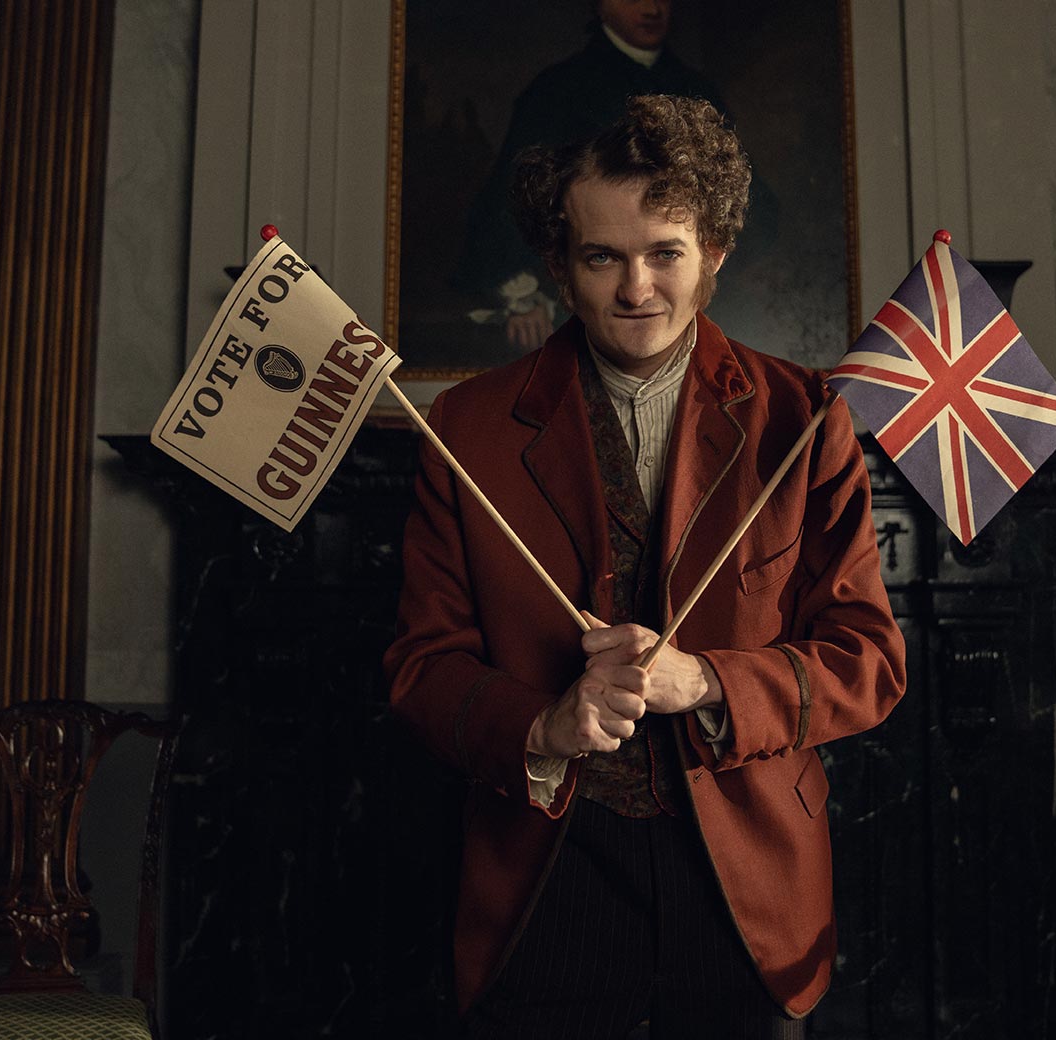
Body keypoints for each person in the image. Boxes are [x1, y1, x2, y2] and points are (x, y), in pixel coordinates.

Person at [385, 94, 905, 1037]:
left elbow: (869, 661)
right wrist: (545, 724)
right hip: (546, 874)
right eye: (601, 257)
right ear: (556, 264)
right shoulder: (464, 430)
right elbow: (423, 670)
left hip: (755, 885)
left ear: (714, 253)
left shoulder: (807, 418)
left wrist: (704, 679)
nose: (636, 289)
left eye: (664, 252)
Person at [452, 0, 777, 354]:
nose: (652, 8)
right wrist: (523, 295)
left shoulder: (697, 88)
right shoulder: (557, 90)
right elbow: (509, 202)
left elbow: (745, 208)